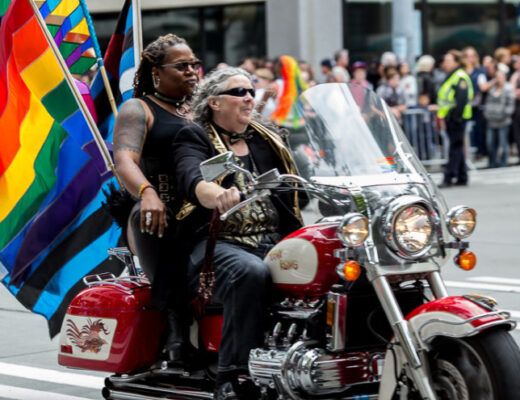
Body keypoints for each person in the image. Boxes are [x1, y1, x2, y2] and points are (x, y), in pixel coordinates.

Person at [171, 67, 303, 399]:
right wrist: (213, 193)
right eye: (238, 92)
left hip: (271, 238)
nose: (248, 97)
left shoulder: (265, 136)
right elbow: (191, 175)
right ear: (214, 102)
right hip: (215, 243)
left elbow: (299, 182)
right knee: (250, 272)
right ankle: (232, 376)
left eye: (250, 91)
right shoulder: (195, 136)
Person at [112, 34, 200, 364]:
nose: (192, 71)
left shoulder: (201, 108)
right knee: (158, 222)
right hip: (159, 208)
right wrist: (147, 193)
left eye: (194, 64)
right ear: (156, 72)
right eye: (182, 66)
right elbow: (123, 161)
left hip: (205, 203)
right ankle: (177, 329)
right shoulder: (139, 109)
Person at [437, 49, 474, 187]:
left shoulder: (459, 76)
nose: (445, 63)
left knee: (455, 147)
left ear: (455, 62)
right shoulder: (452, 75)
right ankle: (462, 176)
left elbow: (461, 99)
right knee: (457, 147)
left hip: (457, 118)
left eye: (448, 60)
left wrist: (455, 117)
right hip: (451, 117)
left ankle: (449, 176)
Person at [483, 63, 515, 168]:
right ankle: (492, 162)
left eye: (501, 77)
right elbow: (487, 103)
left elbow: (510, 104)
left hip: (503, 120)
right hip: (491, 120)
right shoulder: (492, 89)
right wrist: (487, 114)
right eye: (497, 77)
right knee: (490, 143)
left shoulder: (508, 88)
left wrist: (505, 114)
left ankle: (503, 162)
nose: (499, 79)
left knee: (503, 143)